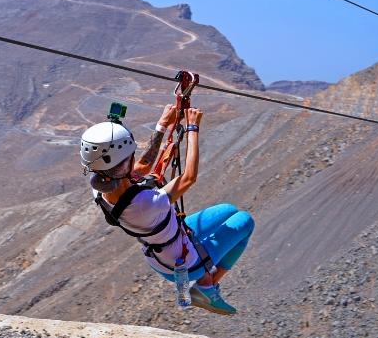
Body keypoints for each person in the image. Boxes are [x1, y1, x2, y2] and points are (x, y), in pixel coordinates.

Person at [80, 104, 254, 315]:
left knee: (228, 210)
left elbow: (143, 167)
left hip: (161, 250)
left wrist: (163, 124)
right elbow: (188, 177)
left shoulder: (100, 190)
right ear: (125, 164)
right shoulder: (145, 203)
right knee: (245, 221)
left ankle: (204, 280)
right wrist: (192, 129)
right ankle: (206, 286)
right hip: (182, 263)